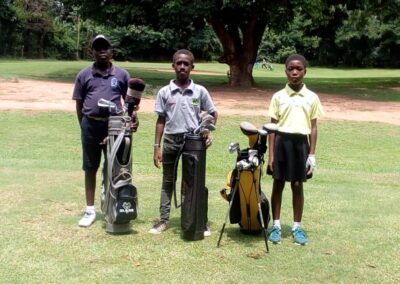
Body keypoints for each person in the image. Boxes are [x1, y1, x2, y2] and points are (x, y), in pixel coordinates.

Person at [149, 49, 218, 236]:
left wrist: (207, 131)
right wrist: (156, 147)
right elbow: (161, 120)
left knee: (195, 183)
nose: (182, 66)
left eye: (186, 64)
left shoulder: (199, 91)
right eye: (178, 63)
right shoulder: (164, 92)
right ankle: (163, 220)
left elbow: (212, 114)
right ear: (173, 66)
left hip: (193, 143)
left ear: (191, 67)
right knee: (168, 182)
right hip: (171, 141)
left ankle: (198, 221)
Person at [72, 35, 138, 227]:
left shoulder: (122, 75)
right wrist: (85, 125)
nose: (102, 51)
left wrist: (132, 119)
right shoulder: (84, 75)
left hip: (115, 126)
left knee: (116, 167)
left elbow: (130, 103)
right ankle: (90, 210)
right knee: (90, 167)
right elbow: (79, 104)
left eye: (105, 48)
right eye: (97, 48)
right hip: (90, 125)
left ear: (111, 51)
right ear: (92, 52)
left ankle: (113, 204)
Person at [266, 54, 323, 245]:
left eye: (299, 69)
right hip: (281, 141)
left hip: (301, 144)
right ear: (286, 71)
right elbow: (272, 127)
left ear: (305, 71)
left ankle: (297, 227)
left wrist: (312, 155)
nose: (295, 72)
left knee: (298, 185)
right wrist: (271, 155)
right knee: (278, 183)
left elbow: (313, 127)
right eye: (291, 68)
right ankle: (276, 226)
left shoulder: (312, 97)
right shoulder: (278, 97)